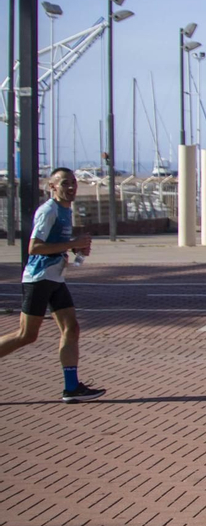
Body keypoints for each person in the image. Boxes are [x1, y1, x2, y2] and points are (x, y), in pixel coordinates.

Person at [0, 168, 103, 402]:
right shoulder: (48, 211)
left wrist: (76, 248)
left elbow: (57, 243)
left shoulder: (66, 210)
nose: (71, 187)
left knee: (71, 328)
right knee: (26, 335)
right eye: (65, 183)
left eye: (74, 183)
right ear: (52, 187)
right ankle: (71, 386)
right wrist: (71, 244)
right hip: (39, 278)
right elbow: (34, 247)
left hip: (55, 278)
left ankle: (72, 387)